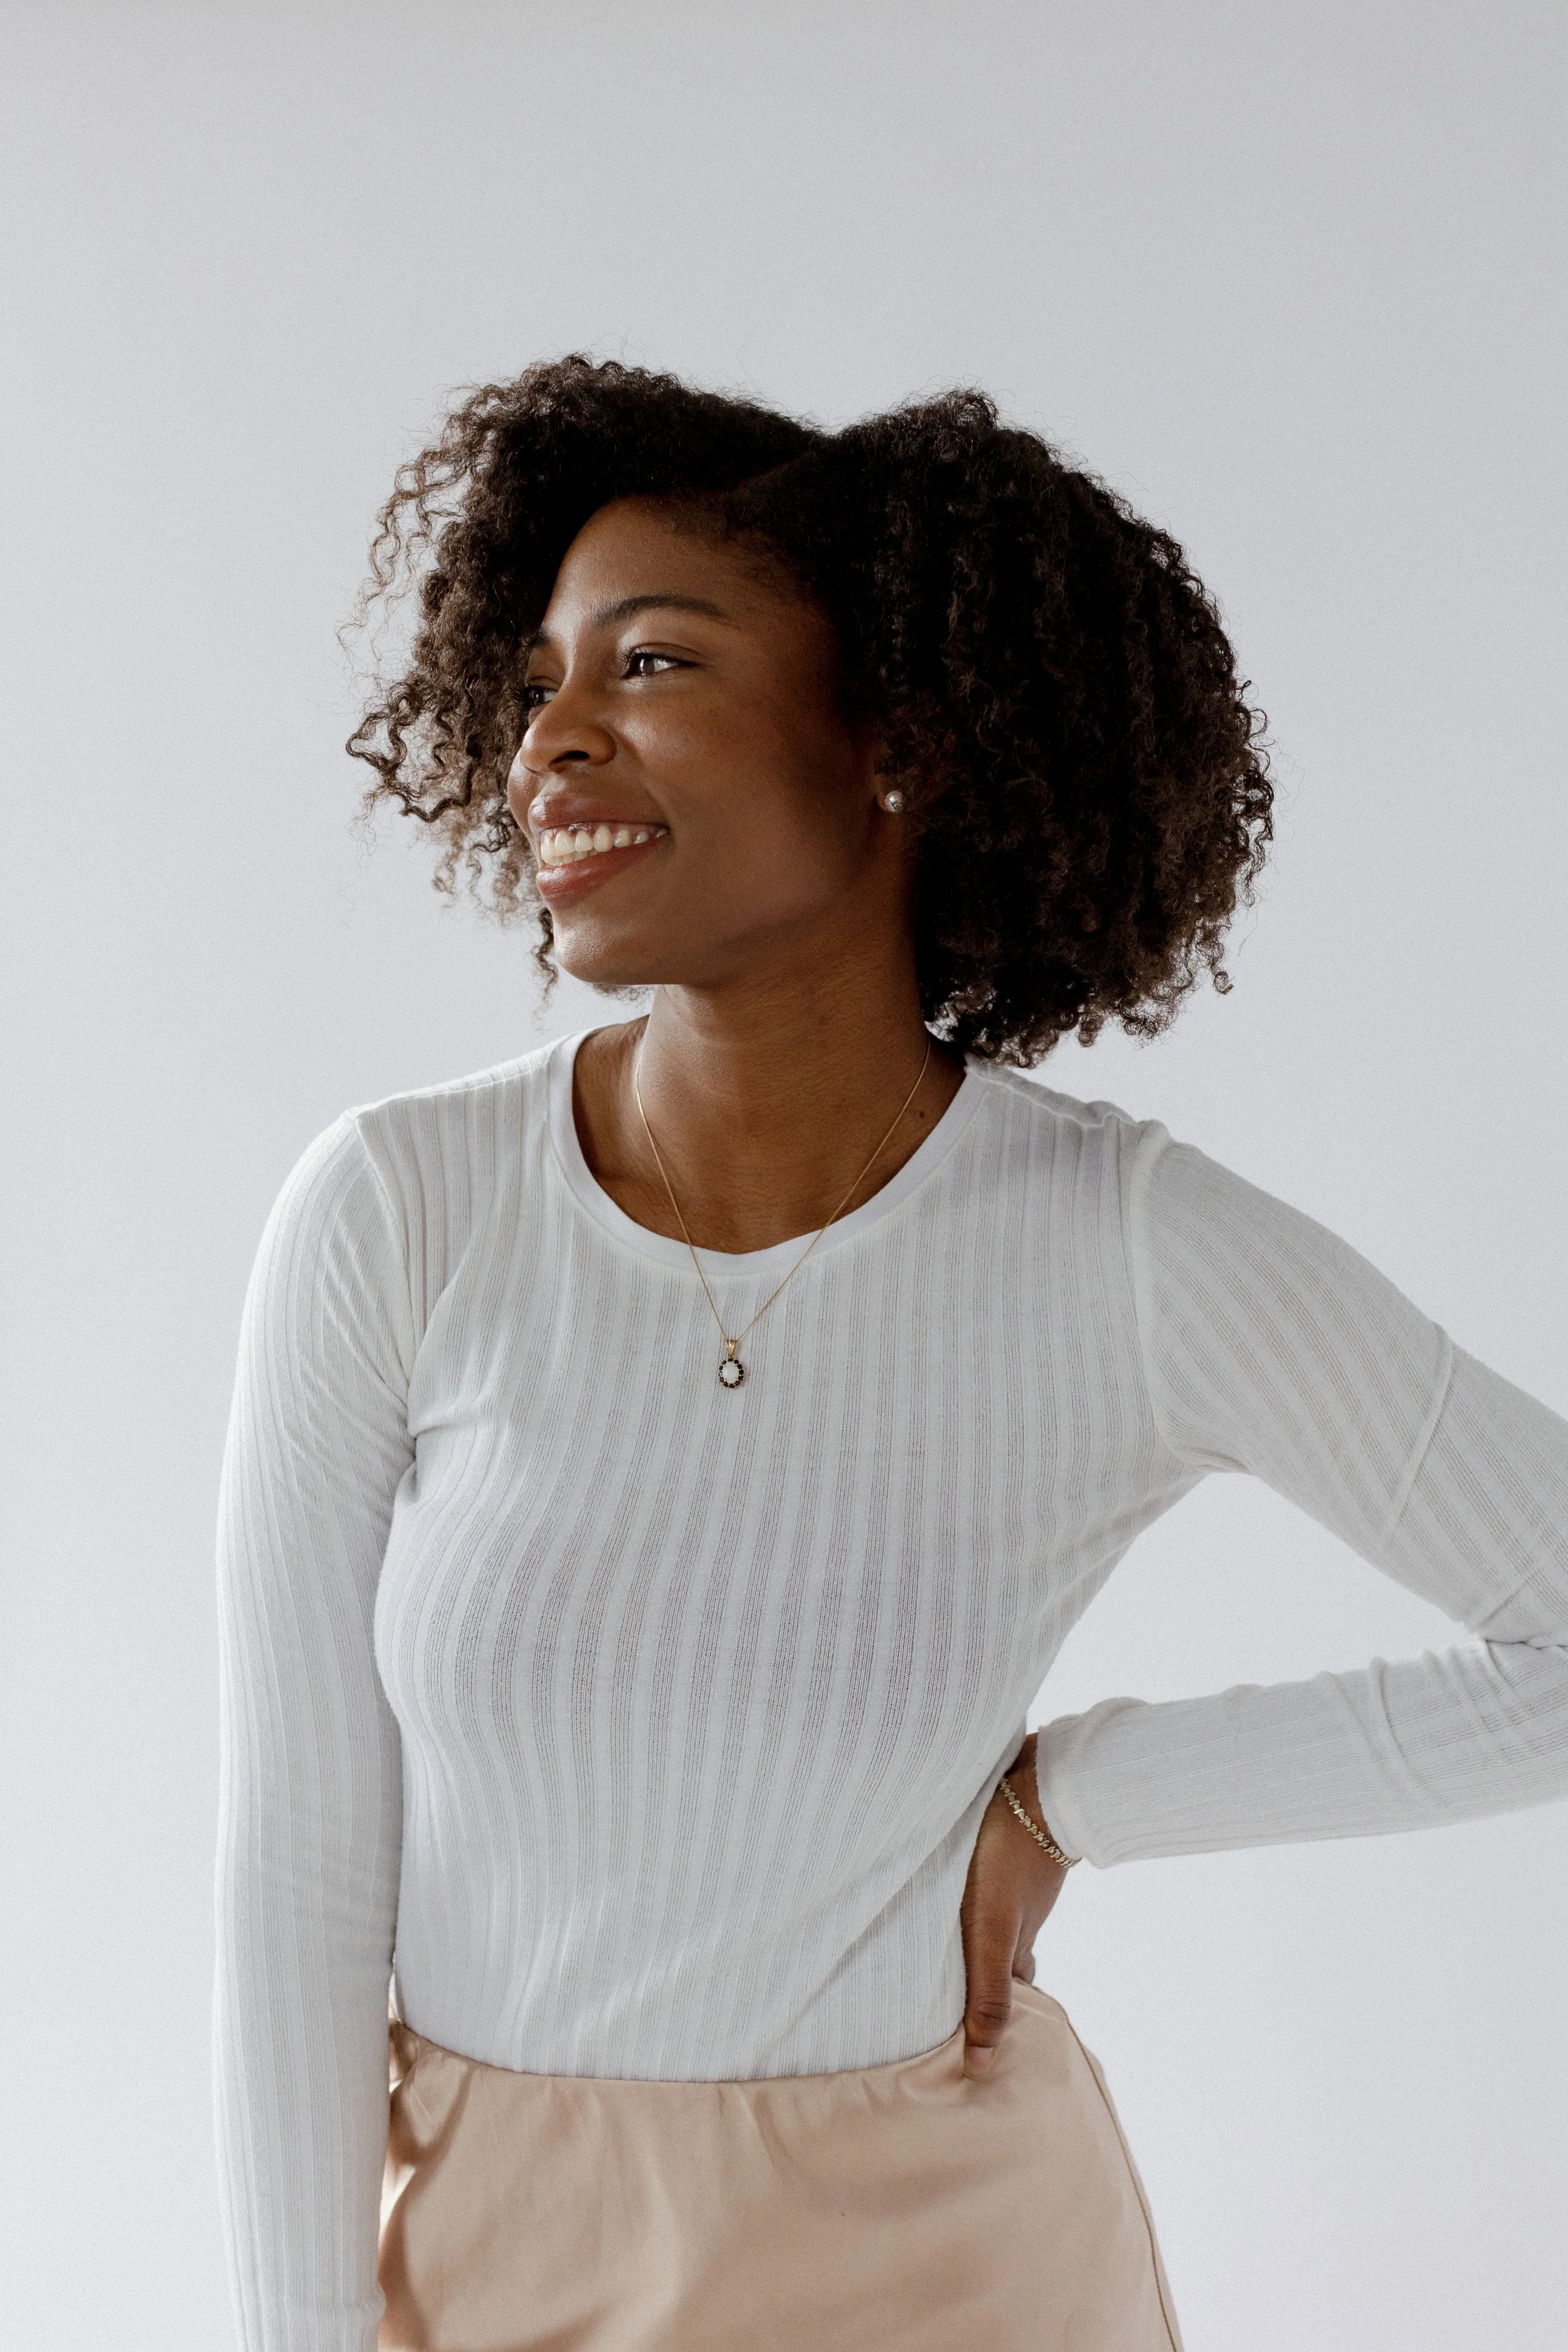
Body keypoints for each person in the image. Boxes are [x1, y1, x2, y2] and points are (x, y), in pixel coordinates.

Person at [215, 358, 1568, 2352]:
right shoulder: (399, 1210)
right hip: (499, 2257)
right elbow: (300, 1883)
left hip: (951, 2261)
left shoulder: (1121, 1248)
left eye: (650, 662)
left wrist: (1076, 1797)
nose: (550, 743)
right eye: (530, 689)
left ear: (899, 742)